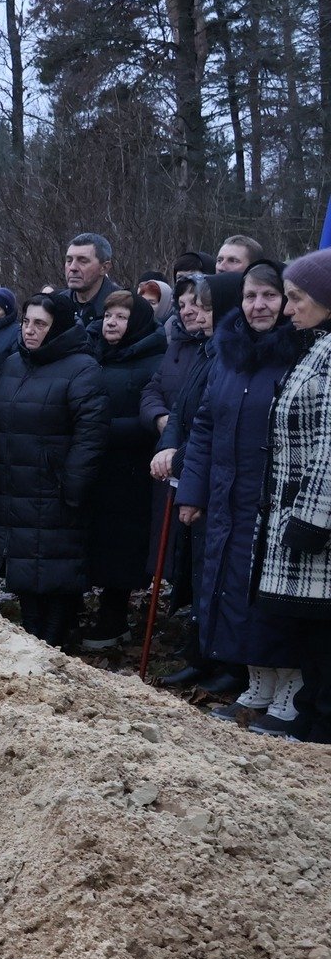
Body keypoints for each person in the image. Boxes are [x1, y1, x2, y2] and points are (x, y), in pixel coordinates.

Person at [177, 263, 307, 729]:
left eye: (269, 295)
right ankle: (257, 684)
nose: (259, 306)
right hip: (228, 498)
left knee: (273, 598)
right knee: (234, 592)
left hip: (277, 501)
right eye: (251, 296)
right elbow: (205, 426)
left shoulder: (303, 352)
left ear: (287, 300)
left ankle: (291, 691)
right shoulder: (228, 354)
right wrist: (192, 491)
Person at [0, 294, 108, 647]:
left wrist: (73, 485)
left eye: (40, 324)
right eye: (26, 322)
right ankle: (31, 637)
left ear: (59, 328)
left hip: (55, 489)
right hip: (15, 485)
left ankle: (53, 641)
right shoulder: (13, 363)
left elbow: (91, 434)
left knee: (56, 569)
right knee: (23, 567)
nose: (30, 330)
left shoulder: (82, 368)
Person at [144, 274, 242, 689]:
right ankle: (199, 653)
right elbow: (184, 411)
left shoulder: (230, 355)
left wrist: (180, 458)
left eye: (205, 306)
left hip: (211, 475)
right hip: (190, 470)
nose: (194, 313)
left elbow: (215, 423)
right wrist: (168, 448)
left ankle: (226, 663)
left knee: (215, 570)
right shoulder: (204, 349)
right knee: (197, 568)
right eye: (191, 305)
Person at [256, 249, 331, 741]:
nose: (287, 309)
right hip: (296, 508)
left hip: (318, 520)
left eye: (297, 297)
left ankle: (323, 722)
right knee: (310, 626)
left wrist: (312, 518)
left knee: (324, 628)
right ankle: (313, 713)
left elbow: (330, 445)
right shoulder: (317, 346)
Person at [78, 290, 167, 649]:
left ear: (139, 322)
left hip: (130, 472)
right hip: (95, 466)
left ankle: (114, 618)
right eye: (108, 315)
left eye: (121, 317)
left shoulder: (155, 361)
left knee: (122, 547)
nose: (111, 323)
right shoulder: (93, 354)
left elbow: (154, 419)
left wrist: (101, 430)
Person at [64, 232, 120, 333]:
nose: (72, 267)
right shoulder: (56, 305)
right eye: (69, 260)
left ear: (104, 268)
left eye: (83, 261)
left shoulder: (125, 306)